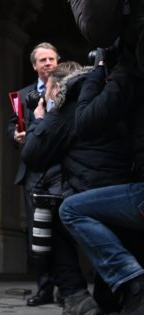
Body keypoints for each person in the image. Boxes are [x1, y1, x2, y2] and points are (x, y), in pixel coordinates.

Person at [21, 61, 134, 315]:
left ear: (58, 87)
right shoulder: (106, 99)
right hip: (126, 197)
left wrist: (41, 120)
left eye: (49, 92)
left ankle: (75, 295)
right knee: (109, 300)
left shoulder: (68, 107)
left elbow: (33, 155)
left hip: (93, 198)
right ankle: (113, 294)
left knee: (55, 216)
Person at [59, 52, 144, 314]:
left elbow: (85, 122)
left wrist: (98, 70)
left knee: (70, 209)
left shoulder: (130, 70)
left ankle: (132, 280)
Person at [6, 42, 60, 307]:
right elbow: (11, 125)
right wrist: (15, 136)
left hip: (63, 169)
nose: (48, 63)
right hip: (33, 171)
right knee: (37, 233)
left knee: (63, 228)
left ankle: (67, 285)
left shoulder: (69, 89)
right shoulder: (23, 94)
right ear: (34, 66)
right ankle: (44, 288)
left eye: (51, 59)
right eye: (43, 60)